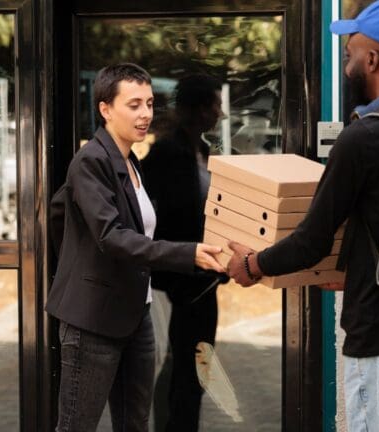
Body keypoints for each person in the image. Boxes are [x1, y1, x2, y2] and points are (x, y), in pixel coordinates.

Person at [226, 1, 379, 431]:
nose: (347, 63)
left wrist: (251, 264)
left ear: (371, 59)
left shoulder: (365, 137)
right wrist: (354, 272)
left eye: (350, 54)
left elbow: (310, 240)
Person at [46, 63, 225, 432]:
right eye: (133, 105)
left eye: (148, 103)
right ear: (105, 109)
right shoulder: (90, 162)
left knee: (135, 423)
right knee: (77, 425)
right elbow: (109, 236)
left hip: (135, 313)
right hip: (93, 321)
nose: (145, 114)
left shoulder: (132, 162)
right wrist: (186, 253)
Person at [142, 74, 226, 432]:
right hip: (179, 279)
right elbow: (153, 214)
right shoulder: (165, 152)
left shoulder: (202, 151)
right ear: (199, 109)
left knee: (196, 364)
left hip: (203, 277)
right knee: (184, 364)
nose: (220, 113)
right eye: (215, 105)